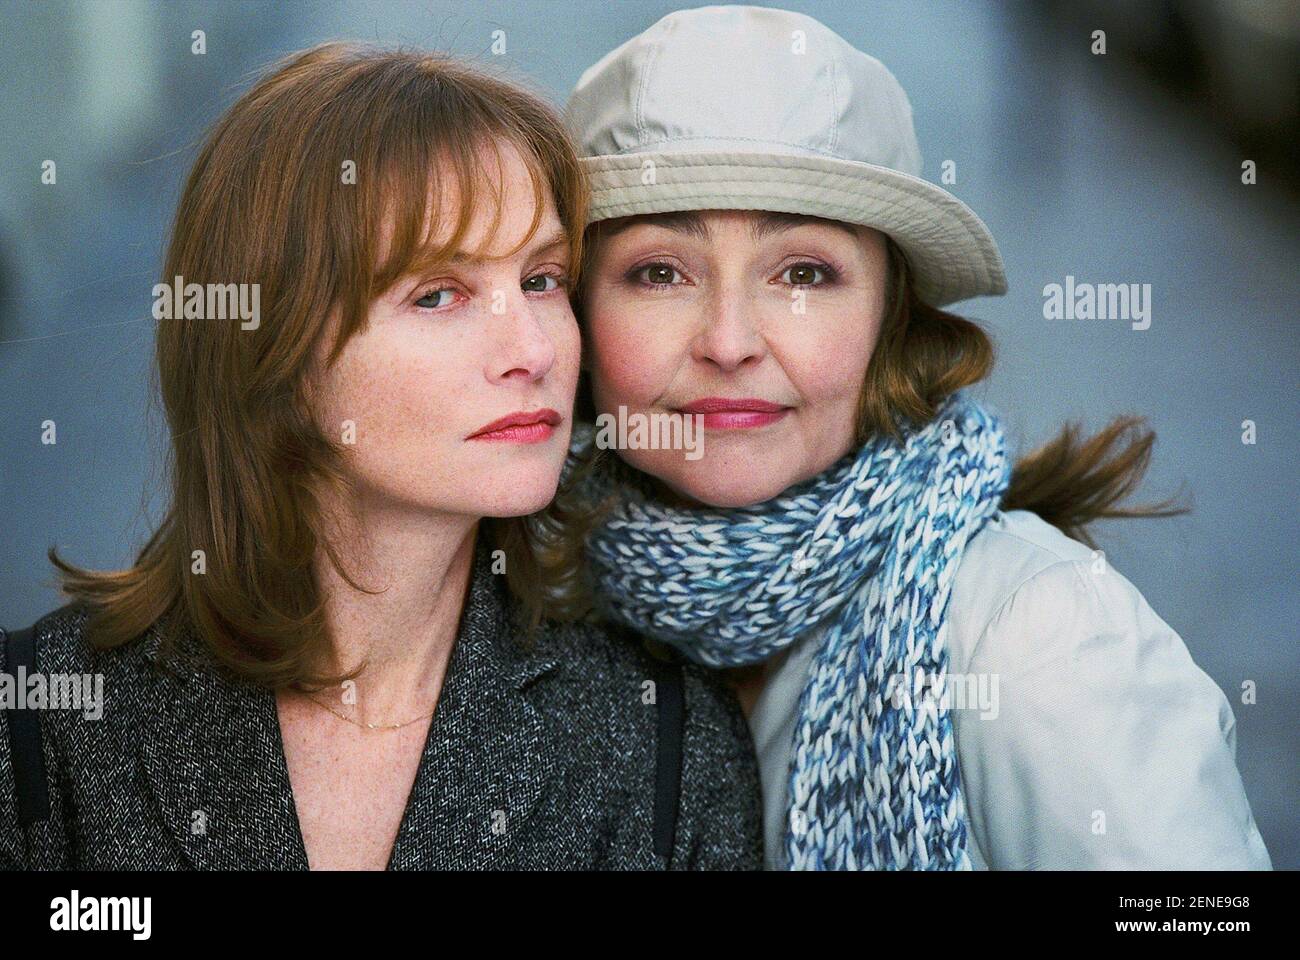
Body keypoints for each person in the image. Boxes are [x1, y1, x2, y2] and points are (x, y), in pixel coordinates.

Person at [0, 43, 763, 870]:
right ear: (274, 353)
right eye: (439, 294)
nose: (533, 350)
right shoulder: (42, 724)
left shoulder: (664, 741)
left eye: (542, 280)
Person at [556, 5, 1273, 870]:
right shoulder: (536, 596)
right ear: (576, 316)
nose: (731, 339)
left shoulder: (1037, 640)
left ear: (886, 319)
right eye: (660, 272)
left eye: (804, 274)